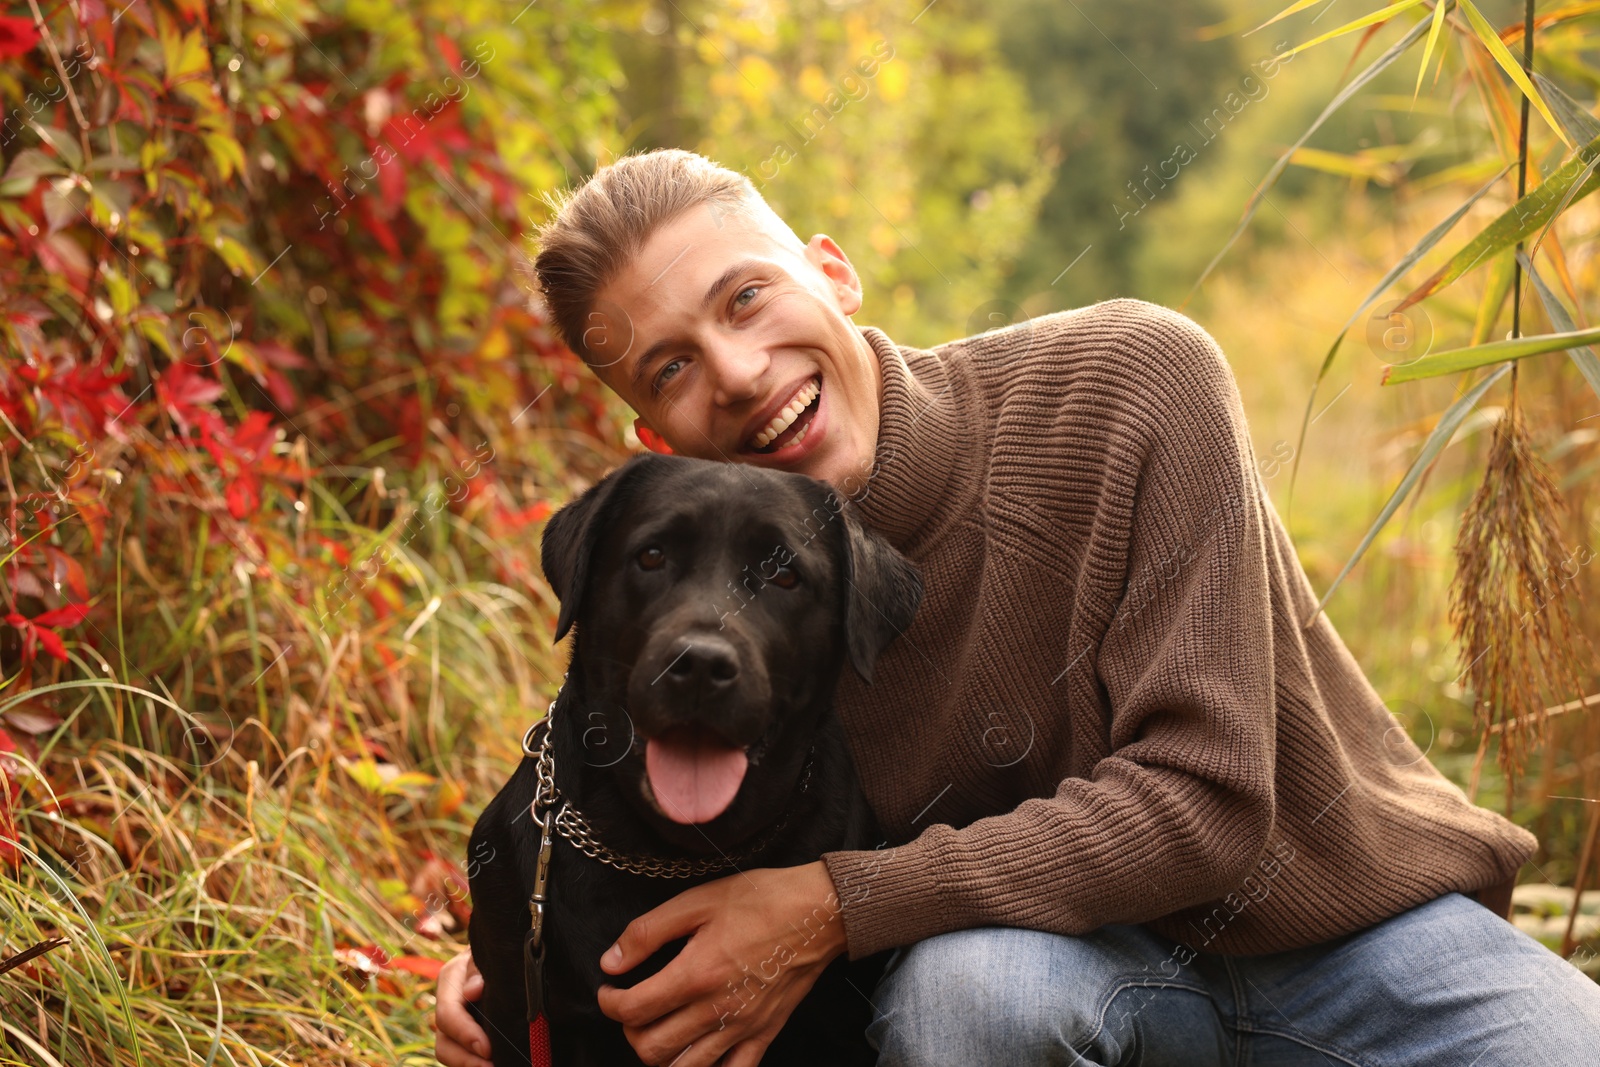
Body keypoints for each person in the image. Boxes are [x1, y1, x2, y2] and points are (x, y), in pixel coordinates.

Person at [433, 148, 1600, 1067]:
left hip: (1354, 933)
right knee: (971, 999)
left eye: (747, 298)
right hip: (1045, 973)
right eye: (671, 367)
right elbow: (620, 794)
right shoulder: (732, 603)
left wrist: (843, 902)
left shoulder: (1131, 380)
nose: (734, 372)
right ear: (651, 432)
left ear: (831, 272)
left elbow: (1208, 797)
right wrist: (521, 964)